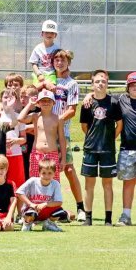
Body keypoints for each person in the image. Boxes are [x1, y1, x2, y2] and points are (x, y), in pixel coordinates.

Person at [82, 72, 136, 226]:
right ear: (127, 88)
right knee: (128, 182)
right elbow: (100, 93)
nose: (135, 87)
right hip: (126, 149)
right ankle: (126, 215)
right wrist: (88, 95)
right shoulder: (121, 100)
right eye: (132, 85)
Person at [79, 69, 122, 226]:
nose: (100, 84)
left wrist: (110, 138)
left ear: (107, 83)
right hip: (90, 149)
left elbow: (120, 124)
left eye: (103, 81)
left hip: (107, 150)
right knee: (89, 184)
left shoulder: (114, 102)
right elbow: (84, 126)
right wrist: (93, 138)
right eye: (97, 81)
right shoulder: (87, 104)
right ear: (92, 84)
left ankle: (108, 219)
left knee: (107, 184)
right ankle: (88, 217)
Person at [51, 49, 85, 221]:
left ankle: (80, 207)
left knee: (69, 169)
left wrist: (56, 121)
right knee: (48, 171)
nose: (59, 62)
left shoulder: (71, 84)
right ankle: (51, 207)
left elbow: (71, 110)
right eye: (56, 59)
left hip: (61, 133)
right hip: (44, 134)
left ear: (68, 62)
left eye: (62, 59)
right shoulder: (48, 80)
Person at [18, 90, 66, 180]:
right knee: (35, 182)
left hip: (52, 154)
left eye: (49, 100)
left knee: (53, 182)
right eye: (43, 101)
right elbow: (20, 118)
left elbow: (62, 139)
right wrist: (30, 104)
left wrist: (63, 159)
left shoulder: (59, 118)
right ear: (38, 103)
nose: (46, 103)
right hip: (37, 154)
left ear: (53, 103)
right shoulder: (35, 116)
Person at [17, 159, 66, 232]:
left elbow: (59, 202)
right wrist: (31, 204)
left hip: (45, 211)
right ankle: (27, 223)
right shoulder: (32, 181)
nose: (46, 176)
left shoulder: (55, 184)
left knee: (60, 212)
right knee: (31, 213)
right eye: (44, 173)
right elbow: (19, 192)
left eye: (50, 173)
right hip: (31, 209)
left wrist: (45, 204)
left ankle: (48, 224)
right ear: (39, 173)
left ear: (54, 173)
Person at [29, 20, 60, 90]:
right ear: (42, 34)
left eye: (52, 32)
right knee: (35, 92)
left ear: (55, 35)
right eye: (47, 32)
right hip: (39, 76)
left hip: (52, 75)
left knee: (50, 93)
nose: (49, 34)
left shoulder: (57, 49)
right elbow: (33, 63)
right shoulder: (37, 48)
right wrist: (39, 74)